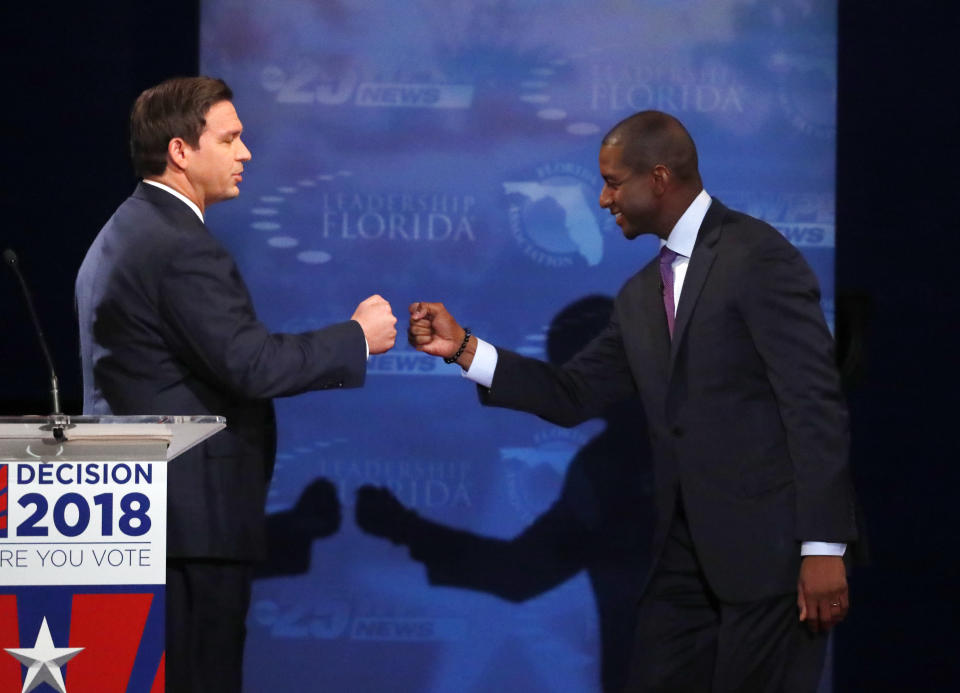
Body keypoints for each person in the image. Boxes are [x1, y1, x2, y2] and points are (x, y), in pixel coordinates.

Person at [408, 110, 857, 692]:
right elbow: (572, 394)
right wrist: (464, 348)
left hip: (774, 563)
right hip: (680, 564)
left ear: (660, 178)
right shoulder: (642, 295)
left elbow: (814, 403)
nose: (601, 199)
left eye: (613, 182)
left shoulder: (757, 258)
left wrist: (823, 547)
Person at [75, 76, 397, 693]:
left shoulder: (125, 230)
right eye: (231, 138)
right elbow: (251, 365)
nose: (246, 152)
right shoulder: (178, 246)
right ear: (180, 151)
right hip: (190, 525)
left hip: (145, 516)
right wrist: (355, 336)